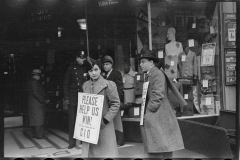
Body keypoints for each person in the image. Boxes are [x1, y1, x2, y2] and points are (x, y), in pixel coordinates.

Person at [139, 49, 186, 158]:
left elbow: (158, 94)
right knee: (162, 144)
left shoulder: (156, 73)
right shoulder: (151, 73)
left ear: (151, 62)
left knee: (160, 145)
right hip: (159, 113)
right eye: (140, 62)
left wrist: (149, 110)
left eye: (143, 62)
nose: (141, 64)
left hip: (159, 113)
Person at [81, 60, 120, 158]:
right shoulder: (85, 85)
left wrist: (105, 120)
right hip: (90, 127)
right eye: (90, 70)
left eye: (96, 69)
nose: (93, 73)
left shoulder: (109, 85)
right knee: (92, 154)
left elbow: (115, 104)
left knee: (106, 154)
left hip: (104, 126)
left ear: (100, 70)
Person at [63, 51, 90, 149]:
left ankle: (83, 140)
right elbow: (66, 84)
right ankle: (72, 142)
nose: (82, 60)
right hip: (73, 96)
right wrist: (66, 98)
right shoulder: (71, 69)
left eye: (84, 58)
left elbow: (94, 69)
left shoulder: (86, 67)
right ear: (77, 58)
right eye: (81, 58)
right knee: (72, 120)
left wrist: (88, 62)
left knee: (83, 119)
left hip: (83, 97)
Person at [102, 55, 125, 146]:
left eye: (107, 64)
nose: (105, 66)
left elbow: (120, 87)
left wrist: (117, 100)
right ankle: (113, 140)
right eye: (104, 65)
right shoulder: (104, 75)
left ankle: (120, 140)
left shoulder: (116, 73)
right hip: (107, 102)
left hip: (114, 101)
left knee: (117, 121)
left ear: (112, 65)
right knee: (111, 121)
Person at [27, 69, 48, 139]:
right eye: (39, 76)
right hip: (37, 104)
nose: (39, 77)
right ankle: (39, 135)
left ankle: (35, 134)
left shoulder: (31, 81)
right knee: (39, 120)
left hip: (33, 104)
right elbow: (36, 93)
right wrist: (42, 100)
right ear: (35, 76)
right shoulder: (34, 82)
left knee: (35, 120)